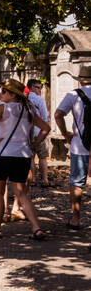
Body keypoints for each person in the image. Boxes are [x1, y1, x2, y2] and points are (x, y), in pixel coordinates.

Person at [0, 79, 49, 240]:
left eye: (4, 91)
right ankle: (36, 228)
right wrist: (34, 144)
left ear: (13, 95)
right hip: (22, 155)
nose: (1, 94)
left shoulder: (1, 107)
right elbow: (46, 128)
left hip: (1, 155)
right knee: (22, 193)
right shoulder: (29, 110)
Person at [54, 68, 91, 231]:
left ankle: (76, 219)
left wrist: (65, 133)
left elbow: (58, 114)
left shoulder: (74, 95)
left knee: (77, 182)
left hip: (80, 144)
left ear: (80, 80)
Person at [26, 78, 51, 187]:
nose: (40, 90)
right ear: (32, 87)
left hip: (26, 133)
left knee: (31, 156)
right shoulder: (39, 100)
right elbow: (45, 117)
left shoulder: (23, 99)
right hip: (39, 132)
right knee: (42, 157)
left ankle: (33, 179)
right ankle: (45, 180)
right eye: (38, 88)